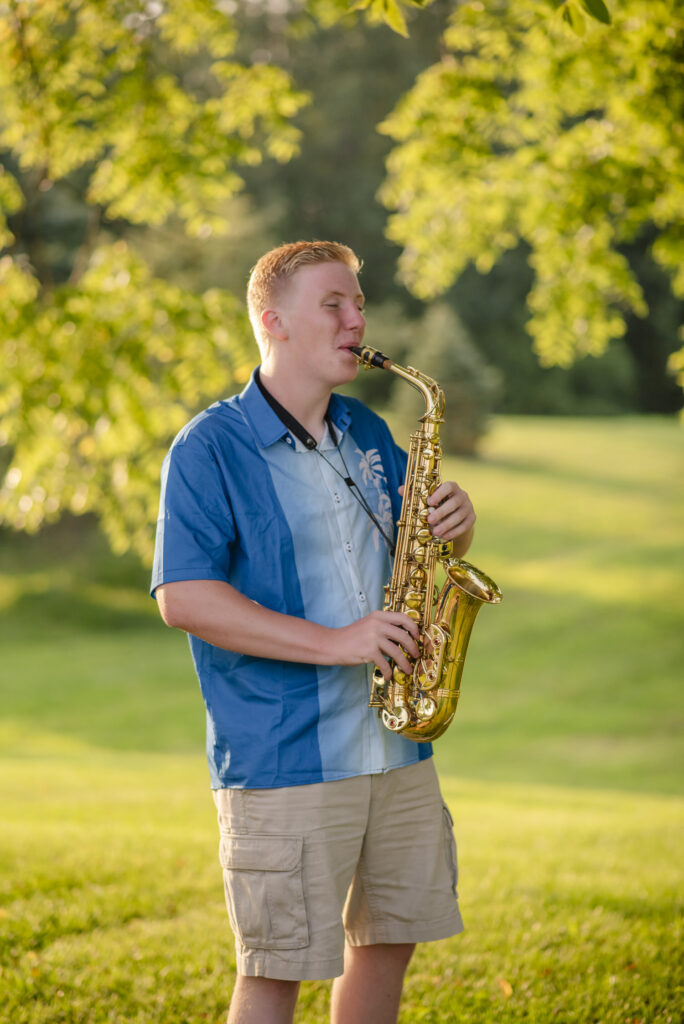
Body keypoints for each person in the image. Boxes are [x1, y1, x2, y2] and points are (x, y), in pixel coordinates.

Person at [151, 240, 476, 1024]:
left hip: (395, 745)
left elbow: (414, 549)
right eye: (334, 303)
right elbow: (185, 597)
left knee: (386, 945)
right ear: (274, 322)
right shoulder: (209, 446)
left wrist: (455, 530)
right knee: (277, 970)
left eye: (358, 302)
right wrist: (339, 642)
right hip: (285, 754)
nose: (356, 318)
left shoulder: (366, 427)